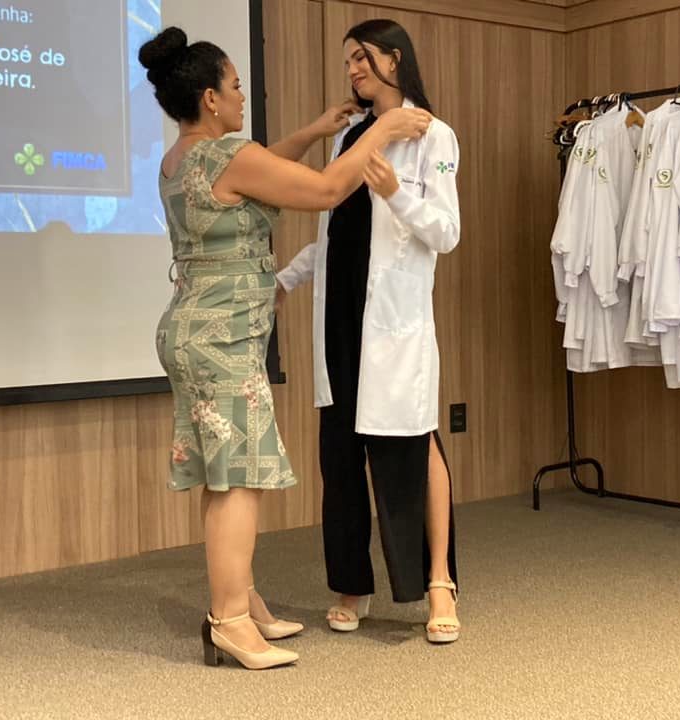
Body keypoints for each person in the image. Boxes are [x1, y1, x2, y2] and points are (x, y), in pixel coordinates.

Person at [140, 26, 432, 670]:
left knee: (225, 476)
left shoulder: (181, 158)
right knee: (239, 481)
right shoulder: (227, 156)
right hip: (222, 338)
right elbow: (324, 190)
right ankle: (229, 620)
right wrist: (383, 130)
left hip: (194, 328)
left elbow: (264, 165)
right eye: (236, 86)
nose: (242, 97)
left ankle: (242, 599)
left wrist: (315, 131)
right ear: (211, 99)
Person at [276, 19, 462, 644]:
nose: (353, 68)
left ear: (395, 58)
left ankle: (439, 582)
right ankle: (350, 585)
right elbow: (336, 237)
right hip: (339, 323)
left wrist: (398, 195)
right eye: (348, 60)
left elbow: (447, 232)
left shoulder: (432, 134)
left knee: (414, 446)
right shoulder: (350, 137)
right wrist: (287, 279)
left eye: (362, 56)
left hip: (394, 325)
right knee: (340, 461)